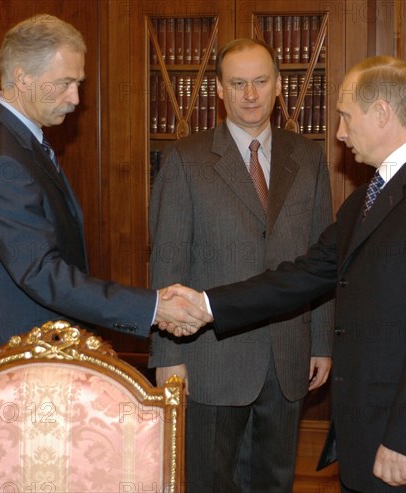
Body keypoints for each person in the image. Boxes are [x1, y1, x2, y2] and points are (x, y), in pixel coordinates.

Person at [161, 55, 406, 492]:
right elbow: (302, 276)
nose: (338, 133)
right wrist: (206, 305)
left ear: (381, 113)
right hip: (366, 436)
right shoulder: (366, 200)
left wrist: (405, 438)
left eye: (344, 117)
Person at [0, 14, 211, 373]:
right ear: (24, 79)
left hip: (41, 354)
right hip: (17, 363)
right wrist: (152, 308)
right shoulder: (0, 159)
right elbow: (43, 274)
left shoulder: (14, 139)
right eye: (65, 83)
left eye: (78, 83)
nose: (75, 98)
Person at [149, 38, 334, 492]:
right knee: (210, 483)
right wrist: (168, 356)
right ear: (219, 90)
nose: (249, 94)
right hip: (210, 359)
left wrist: (322, 341)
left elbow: (323, 258)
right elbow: (167, 261)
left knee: (275, 482)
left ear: (278, 87)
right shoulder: (184, 160)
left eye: (260, 81)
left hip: (288, 354)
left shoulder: (307, 157)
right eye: (237, 83)